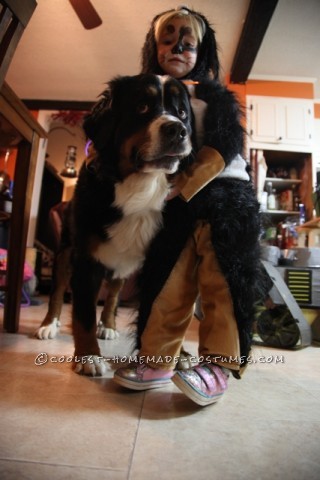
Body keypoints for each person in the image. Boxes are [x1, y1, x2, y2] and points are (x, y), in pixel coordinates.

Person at [113, 6, 265, 406]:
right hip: (174, 199)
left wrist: (186, 182)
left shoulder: (213, 96)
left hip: (225, 193)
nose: (178, 46)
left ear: (203, 50)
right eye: (168, 38)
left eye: (188, 41)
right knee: (167, 276)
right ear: (155, 47)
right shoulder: (145, 92)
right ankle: (157, 358)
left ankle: (219, 363)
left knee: (223, 279)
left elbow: (224, 145)